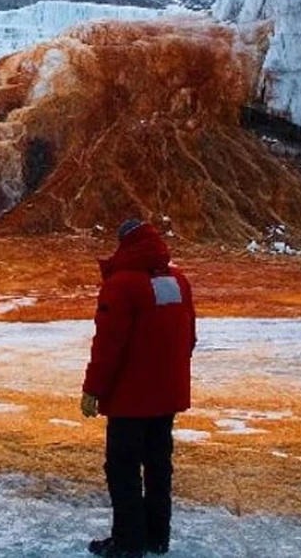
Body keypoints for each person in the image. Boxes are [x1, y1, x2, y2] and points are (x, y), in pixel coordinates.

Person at [81, 219, 197, 557]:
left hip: (130, 399)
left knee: (123, 468)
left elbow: (108, 345)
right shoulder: (179, 281)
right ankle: (157, 537)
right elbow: (189, 336)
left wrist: (93, 389)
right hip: (167, 395)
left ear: (125, 244)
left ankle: (128, 542)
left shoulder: (121, 285)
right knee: (159, 465)